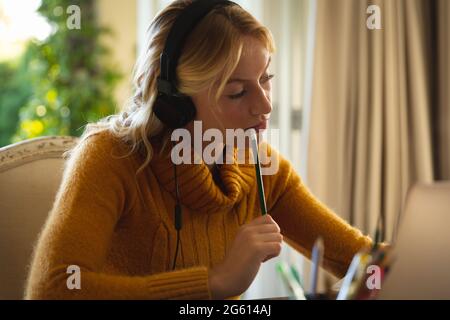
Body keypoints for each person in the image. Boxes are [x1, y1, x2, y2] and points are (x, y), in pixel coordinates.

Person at [25, 0, 372, 300]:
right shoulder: (109, 158)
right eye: (237, 92)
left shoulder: (263, 169)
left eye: (265, 79)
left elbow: (362, 259)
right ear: (176, 103)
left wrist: (405, 262)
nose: (265, 106)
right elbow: (54, 290)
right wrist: (214, 282)